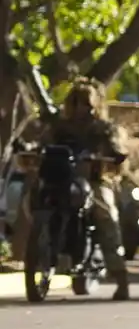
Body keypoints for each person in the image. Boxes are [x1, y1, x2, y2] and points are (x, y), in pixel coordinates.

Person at [22, 79, 131, 300]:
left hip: (93, 180)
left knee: (106, 215)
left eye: (87, 102)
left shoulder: (105, 128)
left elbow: (116, 148)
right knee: (29, 200)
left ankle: (120, 277)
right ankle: (43, 252)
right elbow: (42, 143)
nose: (83, 107)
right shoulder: (59, 127)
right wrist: (31, 149)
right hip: (58, 179)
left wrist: (114, 154)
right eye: (77, 102)